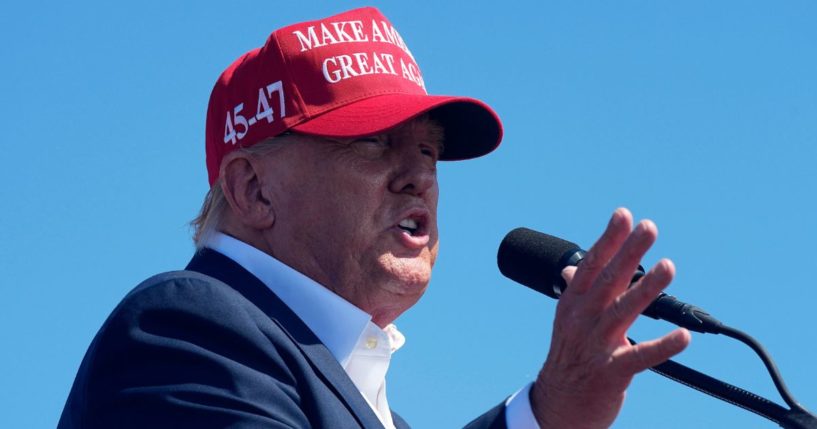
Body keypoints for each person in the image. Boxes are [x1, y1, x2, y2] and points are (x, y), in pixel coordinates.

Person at [58, 6, 690, 429]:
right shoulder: (186, 329)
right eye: (371, 142)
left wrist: (547, 413)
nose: (419, 175)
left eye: (429, 150)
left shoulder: (345, 386)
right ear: (253, 189)